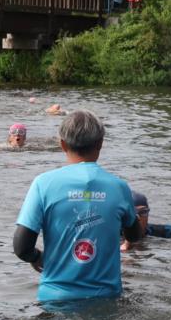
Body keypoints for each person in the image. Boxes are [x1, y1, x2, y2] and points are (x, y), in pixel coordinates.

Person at [13, 110, 144, 301]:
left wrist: (37, 258)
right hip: (106, 298)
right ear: (100, 143)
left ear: (62, 144)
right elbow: (134, 235)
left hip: (56, 298)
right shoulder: (119, 187)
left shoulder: (43, 184)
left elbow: (21, 247)